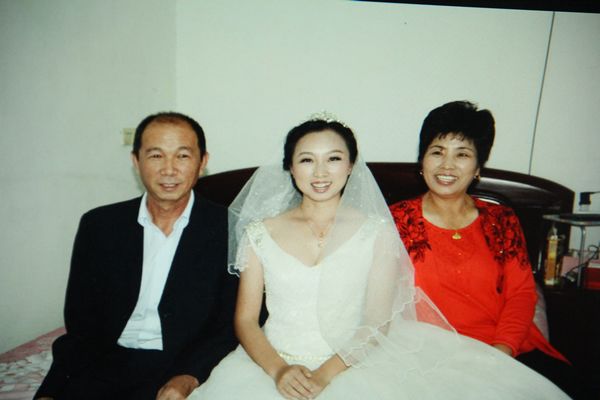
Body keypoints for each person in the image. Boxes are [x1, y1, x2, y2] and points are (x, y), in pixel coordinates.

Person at [188, 116, 568, 399]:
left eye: (333, 158)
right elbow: (245, 319)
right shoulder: (259, 232)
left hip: (353, 363)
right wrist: (278, 371)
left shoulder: (378, 230)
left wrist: (325, 375)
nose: (320, 172)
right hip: (268, 364)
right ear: (290, 166)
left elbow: (376, 320)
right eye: (306, 160)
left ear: (351, 166)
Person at [34, 112, 238, 400]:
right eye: (156, 156)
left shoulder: (230, 228)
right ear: (136, 161)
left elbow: (229, 323)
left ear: (202, 162)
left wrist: (189, 375)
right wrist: (55, 389)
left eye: (182, 156)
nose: (169, 169)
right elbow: (81, 321)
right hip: (103, 363)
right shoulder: (99, 225)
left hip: (179, 366)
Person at [389, 101, 576, 397]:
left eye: (462, 154)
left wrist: (500, 353)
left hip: (508, 351)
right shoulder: (395, 221)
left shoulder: (502, 220)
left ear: (477, 168)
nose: (447, 165)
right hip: (430, 357)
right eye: (437, 152)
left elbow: (521, 293)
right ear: (422, 161)